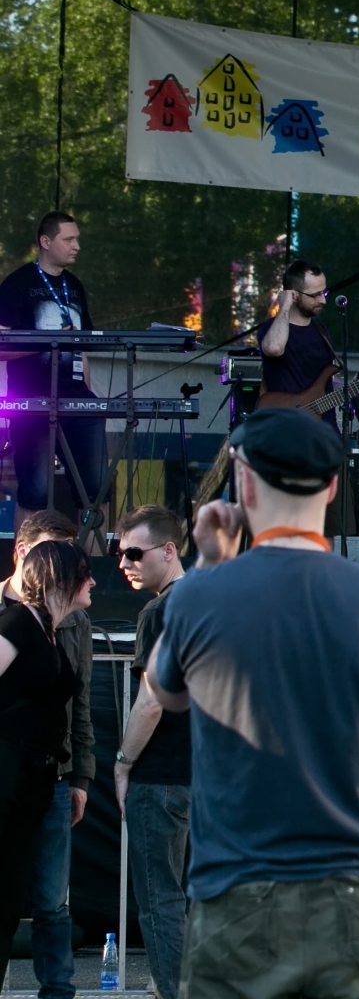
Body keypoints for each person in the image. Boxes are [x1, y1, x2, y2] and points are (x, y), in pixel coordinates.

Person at [146, 407, 359, 995]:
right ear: (333, 486)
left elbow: (164, 693)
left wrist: (207, 564)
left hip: (239, 896)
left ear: (243, 483)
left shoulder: (201, 596)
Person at [6, 508, 93, 999]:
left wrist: (81, 776)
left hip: (51, 777)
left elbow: (79, 705)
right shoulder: (16, 619)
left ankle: (57, 991)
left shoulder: (68, 623)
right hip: (11, 776)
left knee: (51, 900)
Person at [114, 505, 193, 999]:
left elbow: (150, 700)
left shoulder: (161, 611)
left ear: (168, 550)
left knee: (160, 900)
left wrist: (123, 763)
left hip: (161, 775)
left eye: (134, 553)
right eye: (120, 553)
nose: (124, 563)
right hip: (206, 774)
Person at [0, 212, 106, 516]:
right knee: (34, 497)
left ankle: (91, 551)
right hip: (32, 403)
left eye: (77, 239)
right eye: (69, 239)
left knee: (96, 497)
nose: (77, 246)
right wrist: (49, 342)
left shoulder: (74, 285)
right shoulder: (17, 284)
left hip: (77, 404)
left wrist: (87, 393)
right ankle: (28, 551)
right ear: (45, 242)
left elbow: (80, 346)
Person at [258, 259, 359, 425]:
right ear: (294, 295)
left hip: (325, 431)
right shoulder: (269, 329)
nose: (323, 300)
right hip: (288, 430)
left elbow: (324, 388)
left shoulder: (321, 332)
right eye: (315, 295)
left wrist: (358, 389)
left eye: (324, 293)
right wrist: (285, 305)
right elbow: (274, 348)